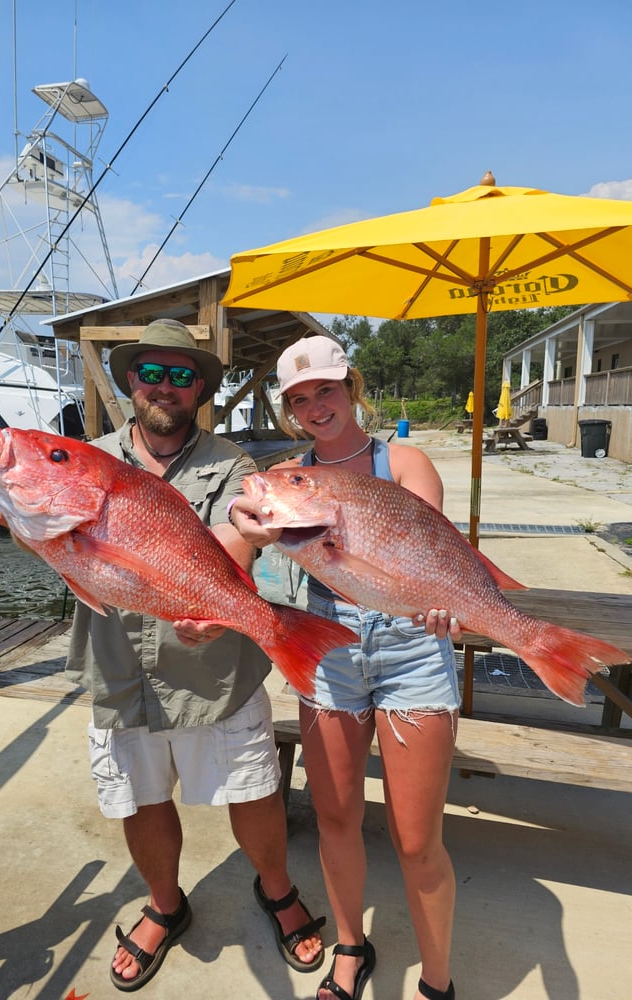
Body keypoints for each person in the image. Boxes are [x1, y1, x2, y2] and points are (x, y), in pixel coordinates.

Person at [65, 319, 325, 992]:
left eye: (183, 376)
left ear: (203, 390)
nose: (165, 387)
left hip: (216, 669)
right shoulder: (82, 461)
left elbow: (238, 534)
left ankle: (275, 888)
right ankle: (166, 904)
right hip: (119, 667)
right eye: (152, 372)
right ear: (130, 381)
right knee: (140, 798)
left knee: (254, 790)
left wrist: (221, 603)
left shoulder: (233, 463)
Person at [229, 335, 461, 1000]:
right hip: (329, 647)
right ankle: (350, 948)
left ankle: (437, 981)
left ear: (351, 387)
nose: (314, 405)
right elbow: (245, 540)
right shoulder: (285, 481)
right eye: (299, 398)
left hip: (411, 645)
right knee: (335, 816)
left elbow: (429, 550)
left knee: (416, 840)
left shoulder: (406, 461)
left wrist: (438, 601)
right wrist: (249, 537)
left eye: (325, 389)